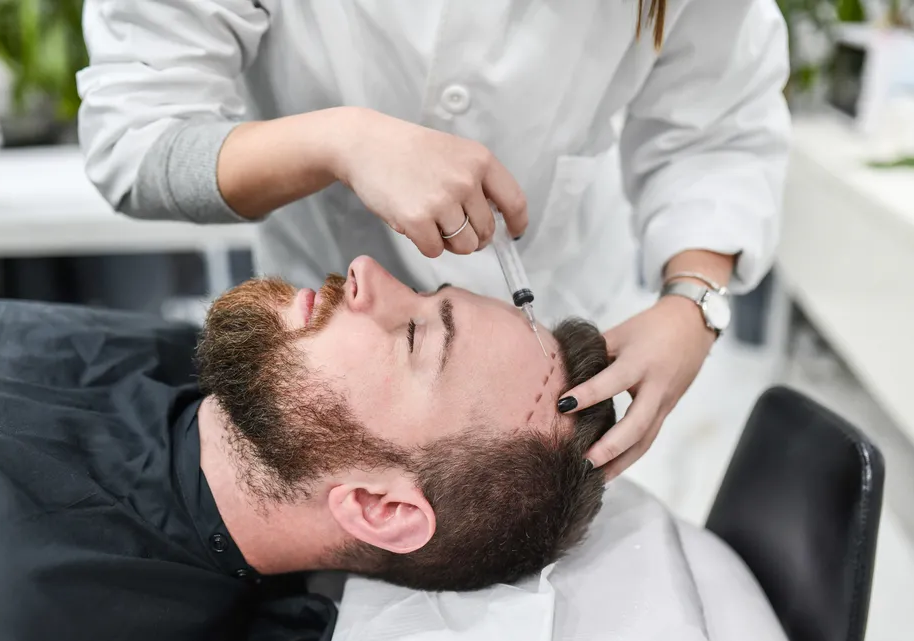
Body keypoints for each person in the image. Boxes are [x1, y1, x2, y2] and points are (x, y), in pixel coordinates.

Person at [76, 0, 792, 480]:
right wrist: (338, 142)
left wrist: (693, 300)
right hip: (323, 345)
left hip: (576, 287)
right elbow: (138, 140)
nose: (373, 281)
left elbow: (719, 124)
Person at [0, 256, 615, 641]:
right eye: (424, 292)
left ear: (379, 507)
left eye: (416, 336)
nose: (367, 271)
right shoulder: (187, 362)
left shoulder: (23, 634)